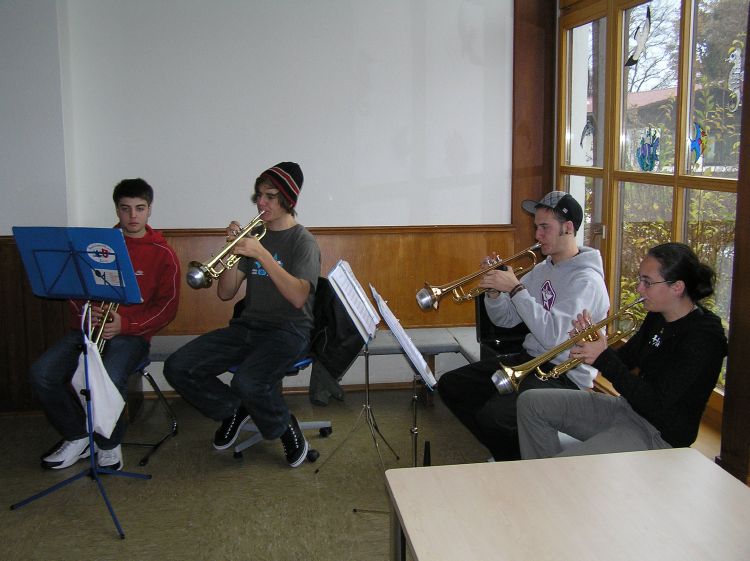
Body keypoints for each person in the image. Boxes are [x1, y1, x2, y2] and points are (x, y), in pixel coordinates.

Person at [164, 162, 321, 468]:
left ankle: (284, 426)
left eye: (270, 196)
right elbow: (225, 292)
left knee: (247, 382)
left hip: (290, 330)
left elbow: (298, 296)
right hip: (249, 326)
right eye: (259, 195)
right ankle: (234, 409)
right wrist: (233, 249)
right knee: (178, 367)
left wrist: (262, 254)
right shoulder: (254, 237)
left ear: (288, 199)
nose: (261, 202)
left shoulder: (303, 242)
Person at [437, 191, 609, 461]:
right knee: (452, 385)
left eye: (545, 227)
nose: (537, 235)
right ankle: (511, 454)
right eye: (536, 227)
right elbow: (506, 319)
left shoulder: (586, 281)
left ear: (568, 228)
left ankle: (518, 461)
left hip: (564, 375)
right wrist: (494, 293)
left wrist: (516, 289)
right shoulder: (542, 269)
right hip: (530, 361)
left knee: (495, 416)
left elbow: (555, 340)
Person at [517, 242, 728, 459]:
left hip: (658, 433)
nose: (639, 289)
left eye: (647, 282)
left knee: (566, 465)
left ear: (677, 287)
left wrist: (603, 357)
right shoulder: (658, 315)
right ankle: (547, 473)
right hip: (628, 408)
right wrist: (591, 340)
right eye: (640, 280)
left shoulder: (704, 338)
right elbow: (625, 360)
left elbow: (655, 403)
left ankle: (555, 473)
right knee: (530, 403)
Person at [31, 178, 180, 471]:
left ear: (150, 209)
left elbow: (167, 309)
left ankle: (108, 444)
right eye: (125, 208)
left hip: (132, 336)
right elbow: (74, 289)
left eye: (140, 208)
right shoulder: (94, 246)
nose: (132, 216)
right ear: (116, 209)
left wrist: (127, 324)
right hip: (88, 331)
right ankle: (78, 435)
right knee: (42, 373)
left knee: (110, 375)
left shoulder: (163, 254)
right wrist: (87, 314)